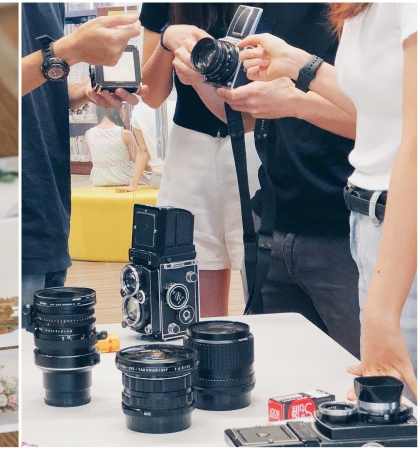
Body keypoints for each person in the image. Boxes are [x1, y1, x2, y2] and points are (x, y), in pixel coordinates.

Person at [235, 3, 417, 400]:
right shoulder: (354, 11)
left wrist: (382, 311)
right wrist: (302, 66)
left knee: (398, 410)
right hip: (364, 224)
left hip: (399, 229)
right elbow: (378, 109)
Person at [170, 3, 362, 358]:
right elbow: (243, 116)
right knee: (285, 390)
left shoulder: (359, 12)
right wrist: (199, 75)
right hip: (275, 226)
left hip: (346, 232)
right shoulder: (269, 10)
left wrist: (296, 101)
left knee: (370, 389)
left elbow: (386, 119)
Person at [20, 4, 145, 328]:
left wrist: (81, 93)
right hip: (12, 218)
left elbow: (35, 96)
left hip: (50, 212)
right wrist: (67, 50)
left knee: (48, 359)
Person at [136, 3, 261, 318]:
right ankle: (206, 361)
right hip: (189, 146)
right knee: (193, 279)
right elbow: (150, 94)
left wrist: (203, 79)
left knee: (261, 272)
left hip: (256, 140)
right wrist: (168, 40)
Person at [118, 101, 164, 191]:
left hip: (158, 178)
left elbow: (143, 150)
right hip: (188, 176)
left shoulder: (139, 109)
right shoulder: (184, 98)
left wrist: (133, 184)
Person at [85, 107, 135, 187]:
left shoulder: (89, 134)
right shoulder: (125, 134)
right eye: (122, 108)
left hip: (99, 181)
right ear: (118, 110)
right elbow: (138, 161)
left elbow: (91, 159)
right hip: (125, 181)